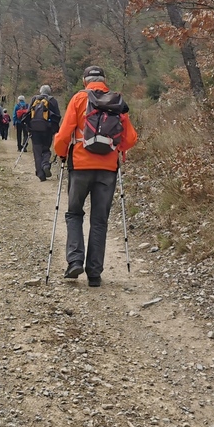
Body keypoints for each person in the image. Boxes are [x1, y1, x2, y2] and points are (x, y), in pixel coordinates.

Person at [53, 65, 137, 287]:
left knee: (74, 213)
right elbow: (129, 139)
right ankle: (94, 273)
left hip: (80, 165)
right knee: (99, 221)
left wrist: (61, 154)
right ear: (104, 80)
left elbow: (63, 135)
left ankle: (74, 261)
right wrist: (116, 150)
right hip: (108, 169)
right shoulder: (116, 101)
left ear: (84, 81)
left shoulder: (79, 99)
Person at [27, 85, 61, 181]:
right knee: (46, 149)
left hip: (35, 130)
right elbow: (57, 116)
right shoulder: (53, 100)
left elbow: (28, 114)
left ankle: (40, 174)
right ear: (49, 92)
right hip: (47, 130)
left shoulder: (34, 99)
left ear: (40, 91)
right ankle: (45, 164)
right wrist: (55, 129)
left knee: (37, 152)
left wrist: (29, 128)